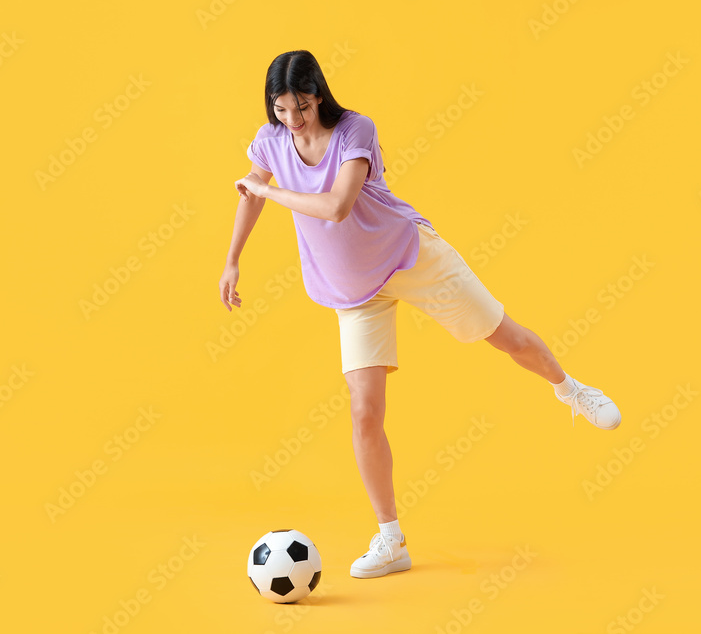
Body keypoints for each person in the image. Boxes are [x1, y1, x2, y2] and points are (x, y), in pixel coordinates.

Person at [219, 50, 621, 580]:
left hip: (408, 256)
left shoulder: (355, 131)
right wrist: (232, 259)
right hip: (353, 290)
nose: (293, 120)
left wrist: (270, 189)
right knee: (364, 412)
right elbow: (251, 192)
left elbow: (338, 206)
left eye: (303, 106)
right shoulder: (271, 139)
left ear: (318, 94)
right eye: (282, 109)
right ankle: (391, 539)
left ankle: (570, 388)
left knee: (505, 337)